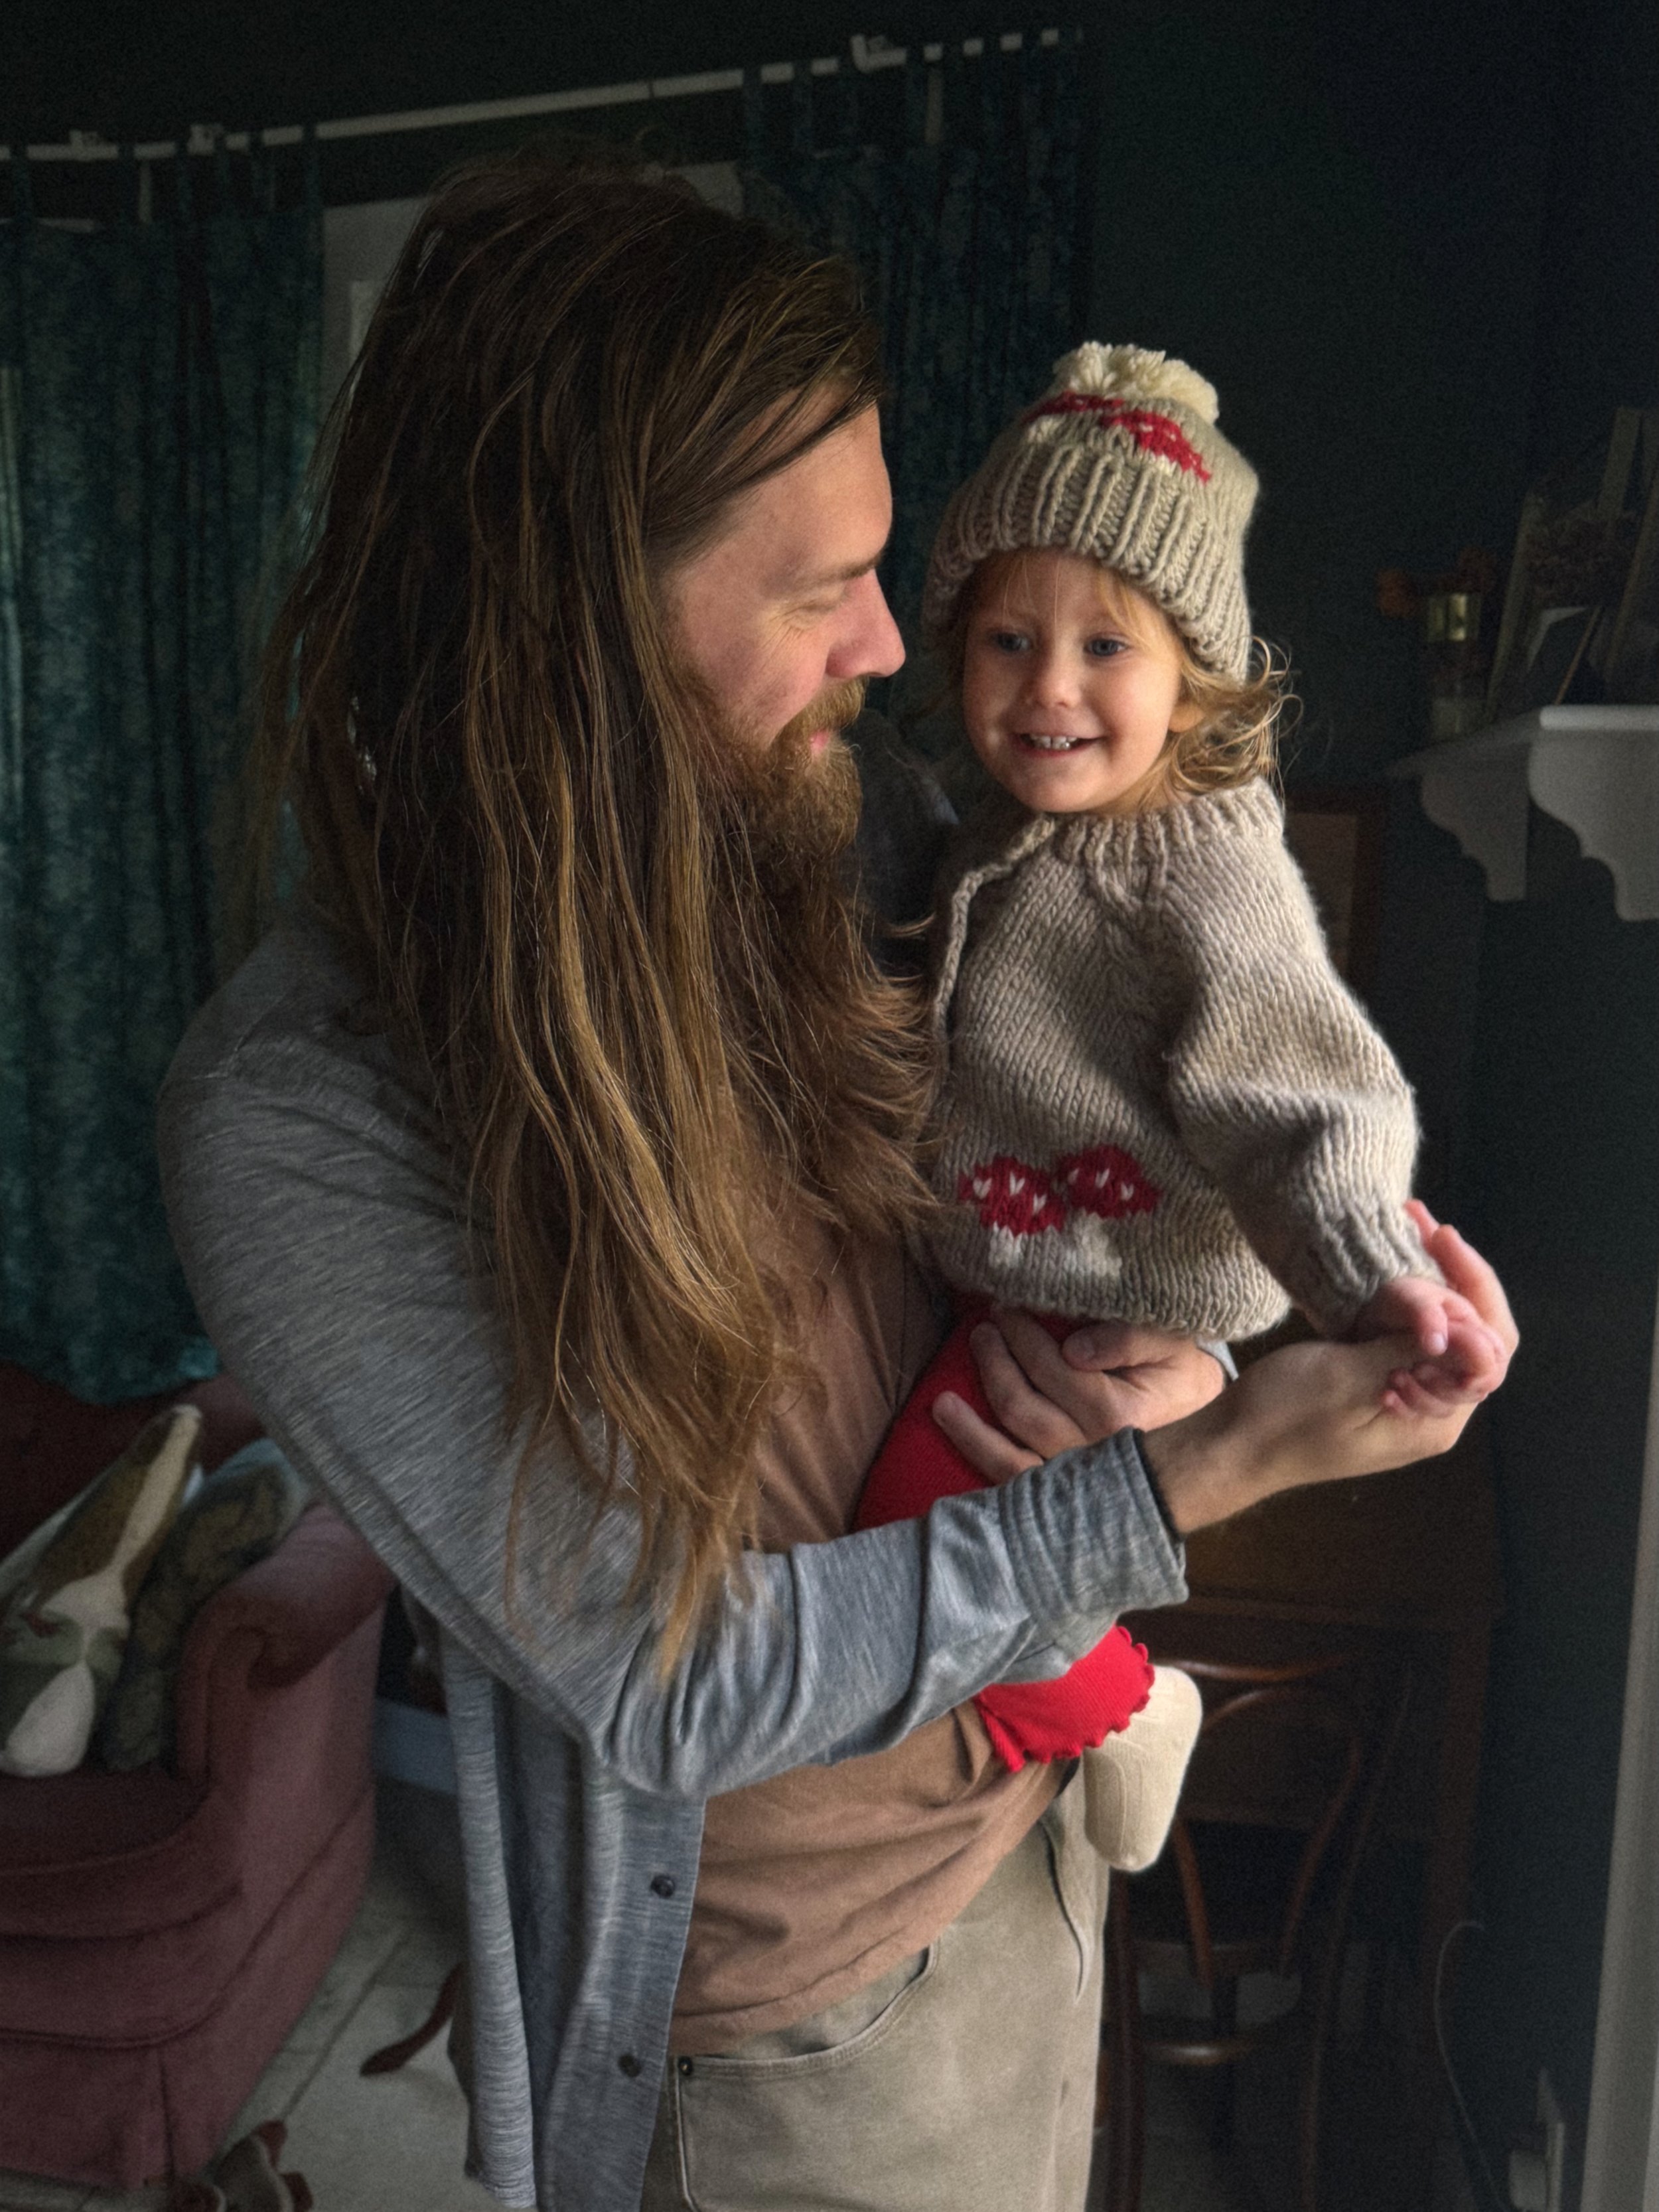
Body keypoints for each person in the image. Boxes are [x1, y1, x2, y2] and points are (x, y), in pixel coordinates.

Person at [157, 159, 1514, 2212]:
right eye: (822, 590)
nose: (898, 648)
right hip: (793, 2014)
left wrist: (1173, 1342)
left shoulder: (850, 833)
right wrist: (1201, 1471)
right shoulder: (308, 1110)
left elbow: (1180, 965)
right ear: (575, 619)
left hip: (1032, 1827)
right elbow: (667, 1676)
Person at [853, 341, 1509, 1844]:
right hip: (1001, 1280)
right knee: (915, 1541)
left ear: (1190, 671)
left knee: (907, 1541)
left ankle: (1125, 1703)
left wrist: (1372, 1291)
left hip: (1103, 1303)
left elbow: (1304, 1107)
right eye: (1008, 640)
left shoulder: (1196, 861)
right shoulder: (981, 838)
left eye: (1106, 649)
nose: (1049, 690)